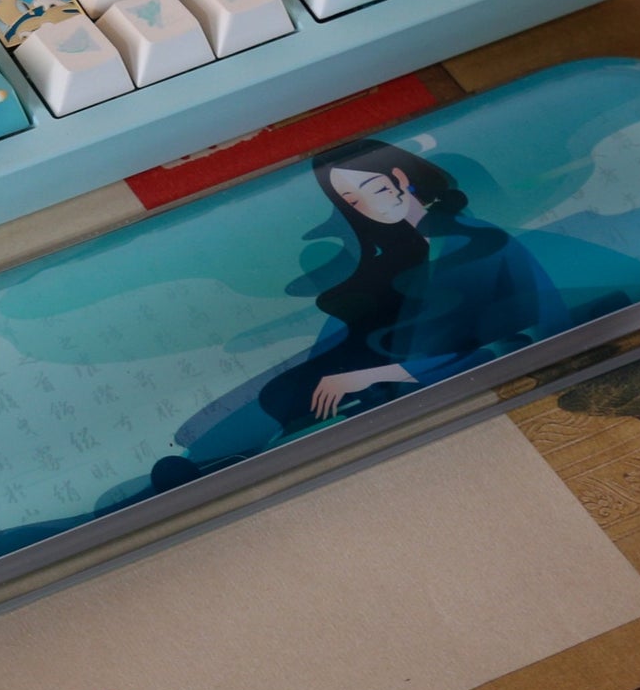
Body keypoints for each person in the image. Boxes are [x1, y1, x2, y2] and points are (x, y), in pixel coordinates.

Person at [152, 138, 570, 489]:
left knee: (300, 408)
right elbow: (353, 331)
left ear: (400, 177)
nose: (367, 205)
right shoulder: (401, 252)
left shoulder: (472, 242)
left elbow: (483, 343)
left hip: (442, 372)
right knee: (281, 391)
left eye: (372, 188)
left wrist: (366, 376)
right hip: (380, 366)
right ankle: (203, 464)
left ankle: (222, 471)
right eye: (352, 200)